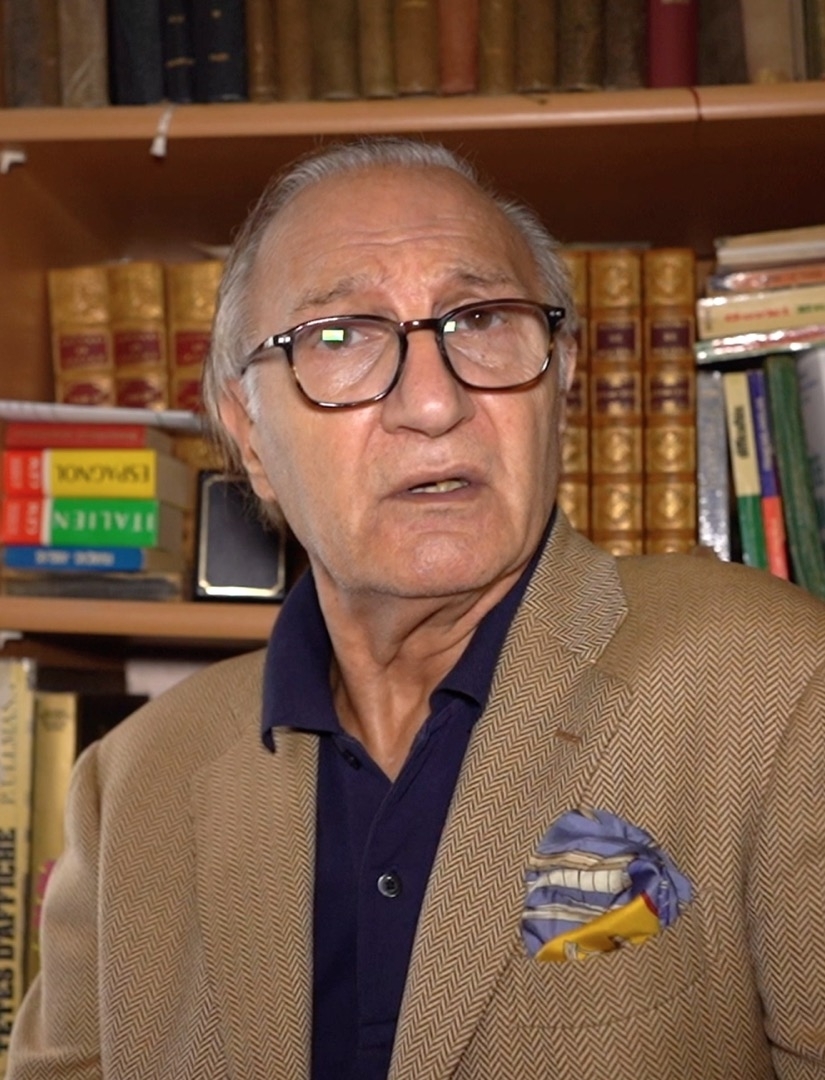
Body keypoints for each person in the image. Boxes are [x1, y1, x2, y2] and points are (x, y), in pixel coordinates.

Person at [8, 137, 825, 1080]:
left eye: (481, 319)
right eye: (340, 337)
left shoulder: (773, 686)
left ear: (560, 381)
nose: (433, 403)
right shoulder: (131, 784)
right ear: (250, 437)